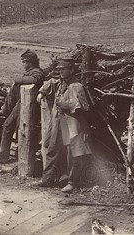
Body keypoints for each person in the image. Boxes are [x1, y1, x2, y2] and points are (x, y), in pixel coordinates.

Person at [34, 57, 93, 193]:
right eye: (59, 69)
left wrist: (62, 103)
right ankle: (47, 179)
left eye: (63, 69)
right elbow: (51, 83)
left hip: (72, 122)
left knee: (73, 153)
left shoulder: (76, 86)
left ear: (71, 70)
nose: (60, 72)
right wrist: (42, 91)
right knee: (52, 148)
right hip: (59, 121)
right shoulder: (61, 82)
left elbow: (82, 107)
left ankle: (73, 183)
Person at [0, 50, 45, 164]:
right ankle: (5, 109)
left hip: (29, 105)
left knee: (8, 125)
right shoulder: (31, 72)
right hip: (22, 103)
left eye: (24, 62)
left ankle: (3, 156)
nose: (23, 64)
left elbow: (36, 80)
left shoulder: (37, 72)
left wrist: (17, 79)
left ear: (30, 62)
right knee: (12, 126)